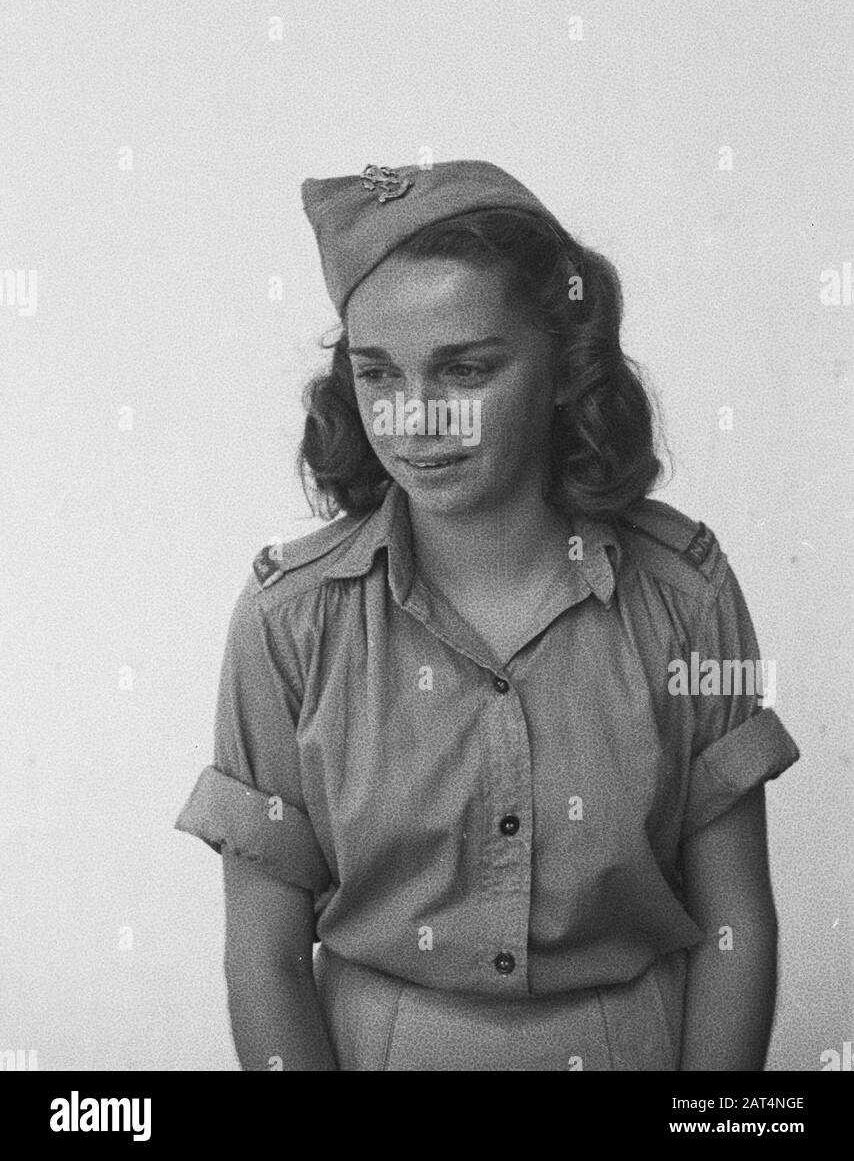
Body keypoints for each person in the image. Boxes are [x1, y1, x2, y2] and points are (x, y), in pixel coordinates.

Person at [174, 159, 800, 1071]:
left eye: (465, 370)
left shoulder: (687, 594)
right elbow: (263, 955)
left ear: (563, 366)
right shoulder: (289, 621)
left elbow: (736, 922)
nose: (415, 418)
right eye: (378, 374)